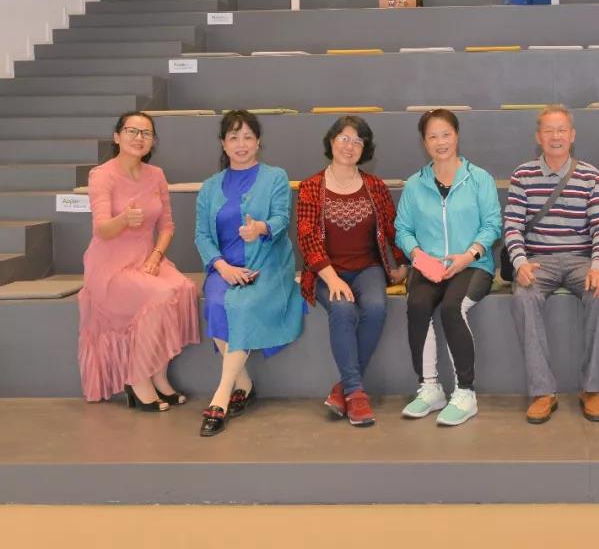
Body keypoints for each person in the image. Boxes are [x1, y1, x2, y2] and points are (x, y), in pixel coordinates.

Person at [194, 110, 305, 437]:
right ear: (223, 144)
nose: (241, 144)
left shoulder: (275, 177)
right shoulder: (209, 187)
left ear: (258, 142)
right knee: (217, 303)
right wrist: (221, 266)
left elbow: (282, 219)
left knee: (241, 306)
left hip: (267, 265)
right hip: (225, 266)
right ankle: (243, 384)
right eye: (233, 137)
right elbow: (202, 235)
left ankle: (220, 397)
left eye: (247, 137)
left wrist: (260, 228)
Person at [78, 112, 199, 410]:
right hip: (111, 265)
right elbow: (101, 229)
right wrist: (123, 220)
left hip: (146, 259)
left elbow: (167, 227)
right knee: (160, 295)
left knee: (183, 288)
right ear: (117, 136)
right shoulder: (101, 175)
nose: (139, 138)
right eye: (132, 131)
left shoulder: (156, 174)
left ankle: (158, 376)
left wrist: (156, 256)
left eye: (146, 133)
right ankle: (137, 378)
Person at [505, 105, 599, 424]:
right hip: (539, 261)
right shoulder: (523, 175)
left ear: (572, 135)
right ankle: (543, 392)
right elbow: (512, 226)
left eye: (562, 130)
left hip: (582, 260)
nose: (556, 136)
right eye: (549, 131)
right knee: (524, 297)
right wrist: (521, 263)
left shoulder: (590, 175)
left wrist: (598, 266)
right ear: (538, 137)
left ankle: (591, 389)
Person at [297, 116, 408, 427]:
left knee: (375, 307)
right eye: (344, 138)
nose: (350, 146)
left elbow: (392, 228)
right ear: (331, 141)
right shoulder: (311, 186)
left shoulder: (374, 186)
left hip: (368, 268)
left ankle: (343, 389)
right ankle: (357, 394)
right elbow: (307, 238)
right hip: (325, 272)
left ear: (365, 149)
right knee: (343, 309)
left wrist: (402, 263)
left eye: (358, 141)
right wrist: (331, 278)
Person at [394, 109, 501, 427]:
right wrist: (418, 256)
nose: (440, 142)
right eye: (432, 136)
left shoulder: (479, 179)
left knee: (453, 308)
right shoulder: (415, 185)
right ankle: (430, 388)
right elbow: (402, 229)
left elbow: (492, 225)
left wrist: (468, 256)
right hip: (429, 267)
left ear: (457, 135)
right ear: (424, 142)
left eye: (446, 134)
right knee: (417, 305)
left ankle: (465, 393)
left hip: (472, 264)